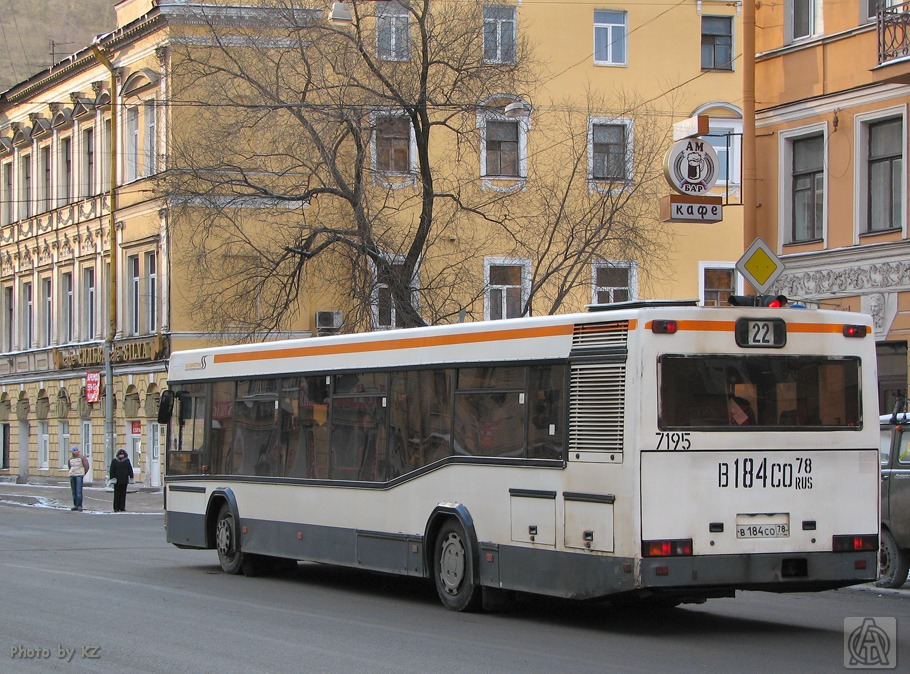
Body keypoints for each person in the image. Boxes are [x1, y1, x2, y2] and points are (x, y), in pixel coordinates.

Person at [67, 447, 89, 511]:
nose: (76, 451)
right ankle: (75, 505)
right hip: (72, 475)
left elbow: (86, 466)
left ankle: (79, 505)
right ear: (72, 452)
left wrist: (83, 473)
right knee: (74, 491)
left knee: (79, 491)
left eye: (77, 450)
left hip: (79, 475)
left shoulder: (82, 458)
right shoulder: (70, 459)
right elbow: (69, 467)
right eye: (74, 450)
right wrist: (71, 472)